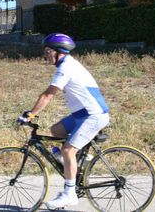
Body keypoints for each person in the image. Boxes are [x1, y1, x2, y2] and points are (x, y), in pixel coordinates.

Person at [17, 33, 109, 209]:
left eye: (47, 51)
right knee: (56, 130)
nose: (45, 55)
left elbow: (48, 95)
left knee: (67, 151)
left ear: (56, 51)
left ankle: (69, 194)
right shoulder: (68, 64)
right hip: (83, 114)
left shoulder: (66, 67)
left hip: (92, 115)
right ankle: (83, 161)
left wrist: (30, 114)